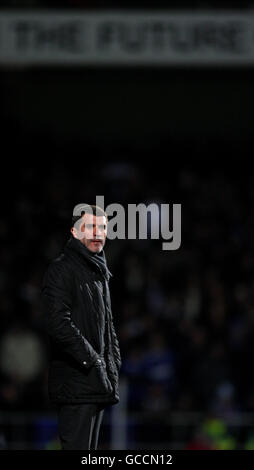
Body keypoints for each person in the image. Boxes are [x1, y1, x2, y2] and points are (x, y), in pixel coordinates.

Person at [41, 204, 121, 450]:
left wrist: (112, 363)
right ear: (75, 232)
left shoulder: (98, 270)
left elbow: (107, 325)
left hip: (94, 383)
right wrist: (94, 362)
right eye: (91, 227)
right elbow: (58, 324)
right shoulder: (62, 269)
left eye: (103, 228)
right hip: (77, 383)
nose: (98, 233)